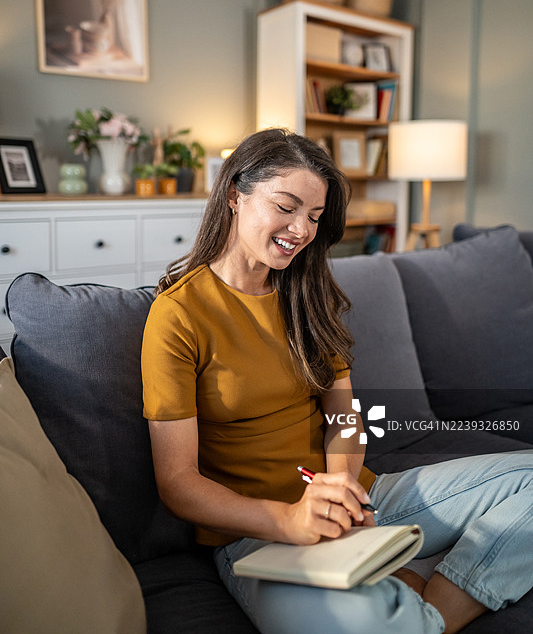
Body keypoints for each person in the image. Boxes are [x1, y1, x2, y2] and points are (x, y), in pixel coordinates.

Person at [141, 128, 533, 634]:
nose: (301, 230)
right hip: (259, 535)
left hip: (361, 502)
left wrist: (342, 487)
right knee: (357, 623)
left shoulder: (306, 294)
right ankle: (410, 587)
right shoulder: (178, 315)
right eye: (286, 207)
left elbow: (344, 416)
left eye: (314, 216)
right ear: (235, 195)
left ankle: (431, 603)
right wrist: (289, 520)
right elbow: (178, 483)